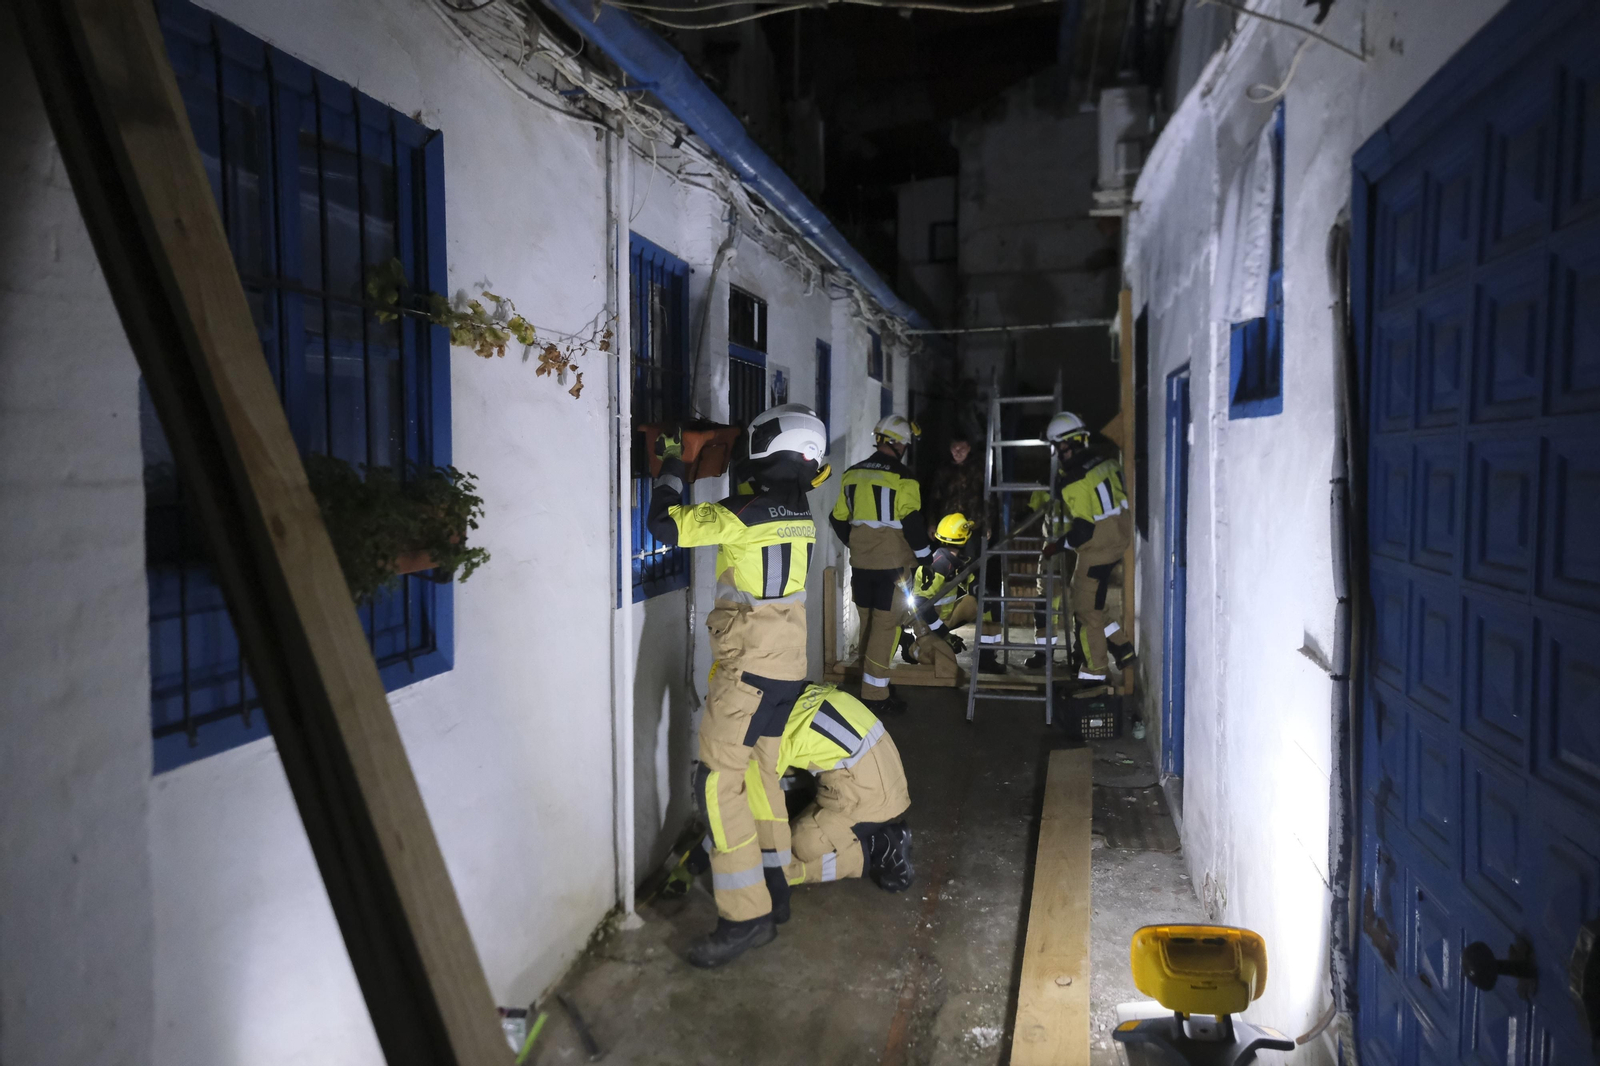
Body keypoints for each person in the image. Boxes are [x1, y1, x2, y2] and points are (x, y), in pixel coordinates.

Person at [648, 403, 829, 968]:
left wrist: (678, 462)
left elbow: (664, 525)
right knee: (762, 781)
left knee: (717, 785)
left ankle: (744, 916)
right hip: (785, 674)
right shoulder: (803, 511)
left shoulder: (742, 512)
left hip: (747, 675)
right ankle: (774, 895)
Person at [829, 414, 931, 715]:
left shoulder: (851, 474)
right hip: (892, 567)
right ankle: (874, 695)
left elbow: (837, 518)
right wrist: (926, 557)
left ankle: (873, 683)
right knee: (885, 629)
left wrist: (857, 543)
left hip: (861, 565)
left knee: (868, 625)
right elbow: (912, 522)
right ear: (899, 444)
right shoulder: (904, 478)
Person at [1025, 411, 1136, 685]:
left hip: (1095, 547)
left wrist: (1056, 546)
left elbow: (1083, 530)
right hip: (1119, 540)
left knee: (1085, 612)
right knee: (1093, 604)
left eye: (1055, 446)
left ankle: (1094, 676)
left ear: (1065, 444)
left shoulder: (1074, 480)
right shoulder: (1107, 463)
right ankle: (1122, 648)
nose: (1054, 453)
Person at [899, 512, 1003, 673]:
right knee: (946, 663)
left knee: (990, 601)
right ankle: (912, 648)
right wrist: (945, 635)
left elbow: (973, 584)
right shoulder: (938, 565)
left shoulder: (960, 561)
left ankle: (986, 657)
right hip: (926, 622)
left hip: (947, 616)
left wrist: (979, 589)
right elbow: (921, 605)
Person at [929, 432, 984, 533]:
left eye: (962, 449)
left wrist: (987, 525)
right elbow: (935, 498)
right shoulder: (943, 469)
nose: (958, 453)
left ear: (969, 448)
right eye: (955, 449)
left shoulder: (978, 469)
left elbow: (987, 497)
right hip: (947, 524)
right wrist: (932, 523)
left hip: (972, 525)